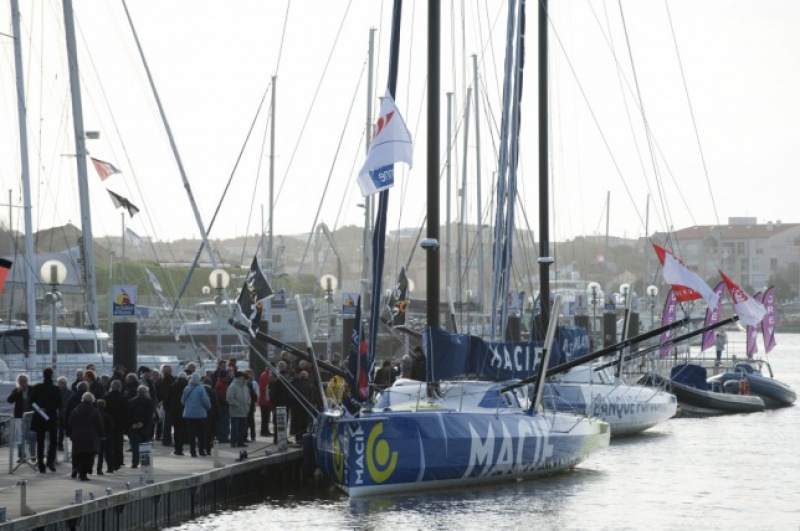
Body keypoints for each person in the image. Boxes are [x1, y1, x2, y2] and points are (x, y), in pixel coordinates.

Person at [30, 367, 61, 473]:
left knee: (40, 442)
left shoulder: (37, 387)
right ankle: (50, 462)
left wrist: (40, 408)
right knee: (53, 441)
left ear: (43, 375)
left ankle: (41, 465)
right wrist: (49, 408)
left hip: (39, 416)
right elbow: (59, 404)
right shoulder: (56, 389)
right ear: (51, 375)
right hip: (51, 416)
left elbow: (32, 402)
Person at [68, 392, 104, 481]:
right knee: (88, 455)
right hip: (91, 436)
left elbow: (70, 423)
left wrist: (70, 434)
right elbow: (99, 424)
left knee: (79, 454)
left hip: (77, 436)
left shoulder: (76, 410)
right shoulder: (95, 411)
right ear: (92, 400)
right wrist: (102, 435)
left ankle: (78, 470)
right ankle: (84, 473)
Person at [182, 372, 211, 457]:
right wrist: (208, 406)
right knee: (201, 434)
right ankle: (201, 450)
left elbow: (182, 401)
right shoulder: (201, 388)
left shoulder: (187, 388)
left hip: (189, 414)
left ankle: (192, 451)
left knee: (191, 434)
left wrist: (188, 406)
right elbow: (205, 400)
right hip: (200, 414)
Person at [7, 373, 35, 462]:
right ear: (18, 382)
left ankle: (33, 454)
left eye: (24, 380)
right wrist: (17, 392)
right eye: (21, 381)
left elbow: (38, 400)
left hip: (31, 417)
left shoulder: (32, 389)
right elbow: (10, 400)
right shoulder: (16, 390)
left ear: (27, 381)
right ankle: (22, 456)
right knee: (19, 437)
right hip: (19, 417)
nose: (23, 382)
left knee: (31, 437)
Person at [103, 379, 128, 471]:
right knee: (119, 444)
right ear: (120, 387)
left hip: (108, 424)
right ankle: (118, 462)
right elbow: (126, 412)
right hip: (119, 424)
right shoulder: (124, 398)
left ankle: (110, 464)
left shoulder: (106, 397)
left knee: (109, 445)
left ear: (111, 387)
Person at [128, 385, 154, 468]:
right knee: (144, 444)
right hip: (145, 426)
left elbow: (129, 414)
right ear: (145, 393)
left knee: (135, 445)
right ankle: (145, 462)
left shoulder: (132, 401)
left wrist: (132, 423)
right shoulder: (149, 401)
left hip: (134, 426)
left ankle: (135, 462)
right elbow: (149, 414)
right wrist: (142, 422)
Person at [226, 371, 251, 448]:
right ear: (239, 377)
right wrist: (237, 404)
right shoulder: (233, 386)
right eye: (242, 377)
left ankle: (240, 442)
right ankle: (233, 442)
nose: (243, 378)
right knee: (235, 428)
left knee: (243, 428)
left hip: (244, 410)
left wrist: (248, 404)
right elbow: (229, 398)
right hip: (236, 411)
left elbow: (248, 396)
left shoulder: (245, 386)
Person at [168, 372, 189, 456]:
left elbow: (168, 398)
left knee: (176, 430)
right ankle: (181, 447)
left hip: (174, 411)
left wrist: (169, 409)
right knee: (183, 429)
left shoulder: (173, 386)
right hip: (184, 410)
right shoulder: (187, 386)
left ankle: (177, 448)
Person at [95, 399, 115, 475]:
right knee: (108, 453)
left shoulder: (95, 415)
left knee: (100, 454)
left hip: (98, 436)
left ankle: (99, 469)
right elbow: (112, 426)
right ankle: (110, 468)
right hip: (107, 436)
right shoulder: (106, 416)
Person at [159, 364, 175, 446]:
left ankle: (166, 440)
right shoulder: (168, 379)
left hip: (167, 404)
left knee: (167, 423)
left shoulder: (163, 379)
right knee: (168, 423)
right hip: (170, 404)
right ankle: (166, 440)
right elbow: (167, 393)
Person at [56, 376, 73, 452]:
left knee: (62, 431)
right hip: (56, 413)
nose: (63, 384)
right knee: (57, 431)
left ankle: (60, 444)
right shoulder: (55, 392)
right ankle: (58, 444)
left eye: (64, 383)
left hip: (65, 414)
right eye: (61, 383)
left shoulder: (70, 392)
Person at [258, 367, 273, 437]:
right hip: (265, 400)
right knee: (265, 417)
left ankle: (265, 430)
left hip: (263, 400)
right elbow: (265, 388)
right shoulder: (266, 375)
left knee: (266, 417)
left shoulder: (264, 374)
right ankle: (264, 431)